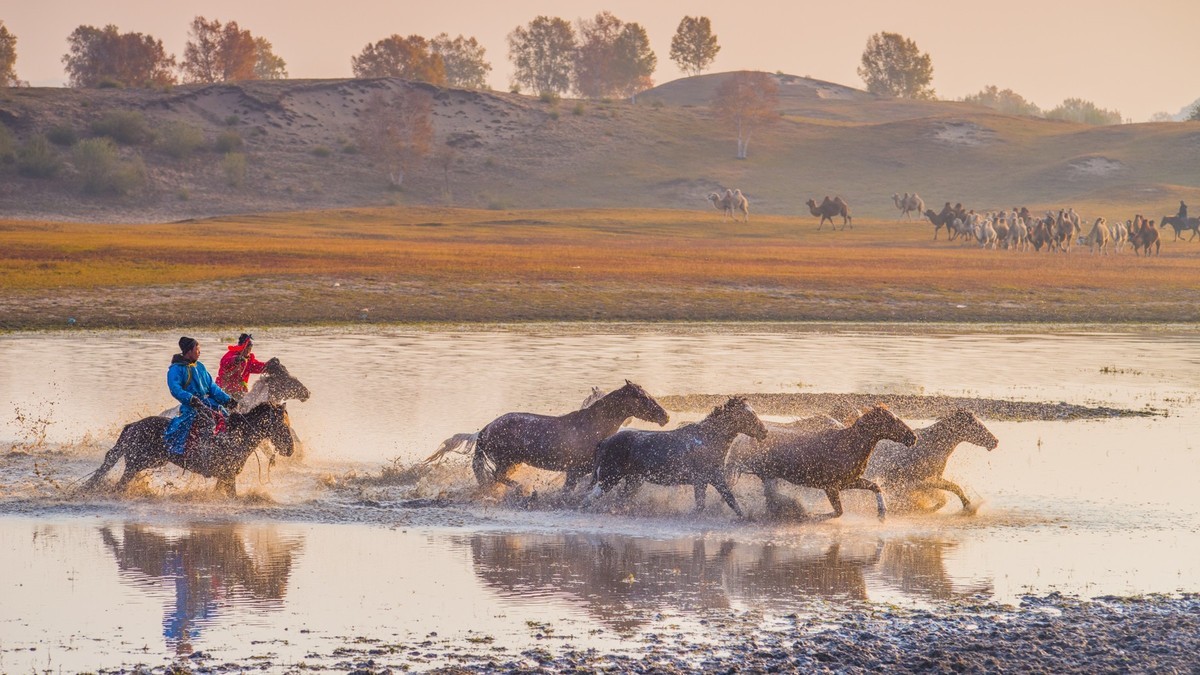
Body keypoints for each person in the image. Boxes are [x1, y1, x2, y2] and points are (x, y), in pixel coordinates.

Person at [164, 337, 234, 458]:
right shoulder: (176, 369)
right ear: (189, 351)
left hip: (210, 404)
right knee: (208, 422)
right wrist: (190, 398)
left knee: (229, 419)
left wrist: (228, 400)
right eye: (197, 349)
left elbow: (212, 387)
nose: (199, 352)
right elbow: (175, 389)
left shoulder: (200, 367)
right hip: (192, 407)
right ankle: (203, 453)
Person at [217, 333, 267, 401]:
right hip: (223, 390)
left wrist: (269, 365)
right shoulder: (230, 355)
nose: (248, 350)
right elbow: (225, 362)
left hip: (240, 392)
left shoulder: (249, 361)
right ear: (240, 347)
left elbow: (259, 367)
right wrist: (235, 359)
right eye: (246, 348)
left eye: (249, 348)